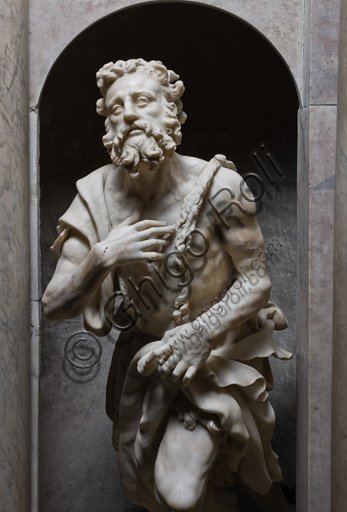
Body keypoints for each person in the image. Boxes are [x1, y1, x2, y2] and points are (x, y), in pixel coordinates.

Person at [43, 58, 293, 512]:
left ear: (172, 112)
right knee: (146, 490)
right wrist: (102, 256)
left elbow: (256, 282)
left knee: (177, 494)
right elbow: (53, 304)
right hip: (144, 360)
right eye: (116, 108)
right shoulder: (95, 197)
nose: (130, 115)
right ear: (107, 125)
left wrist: (201, 333)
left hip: (212, 352)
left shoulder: (222, 186)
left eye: (142, 101)